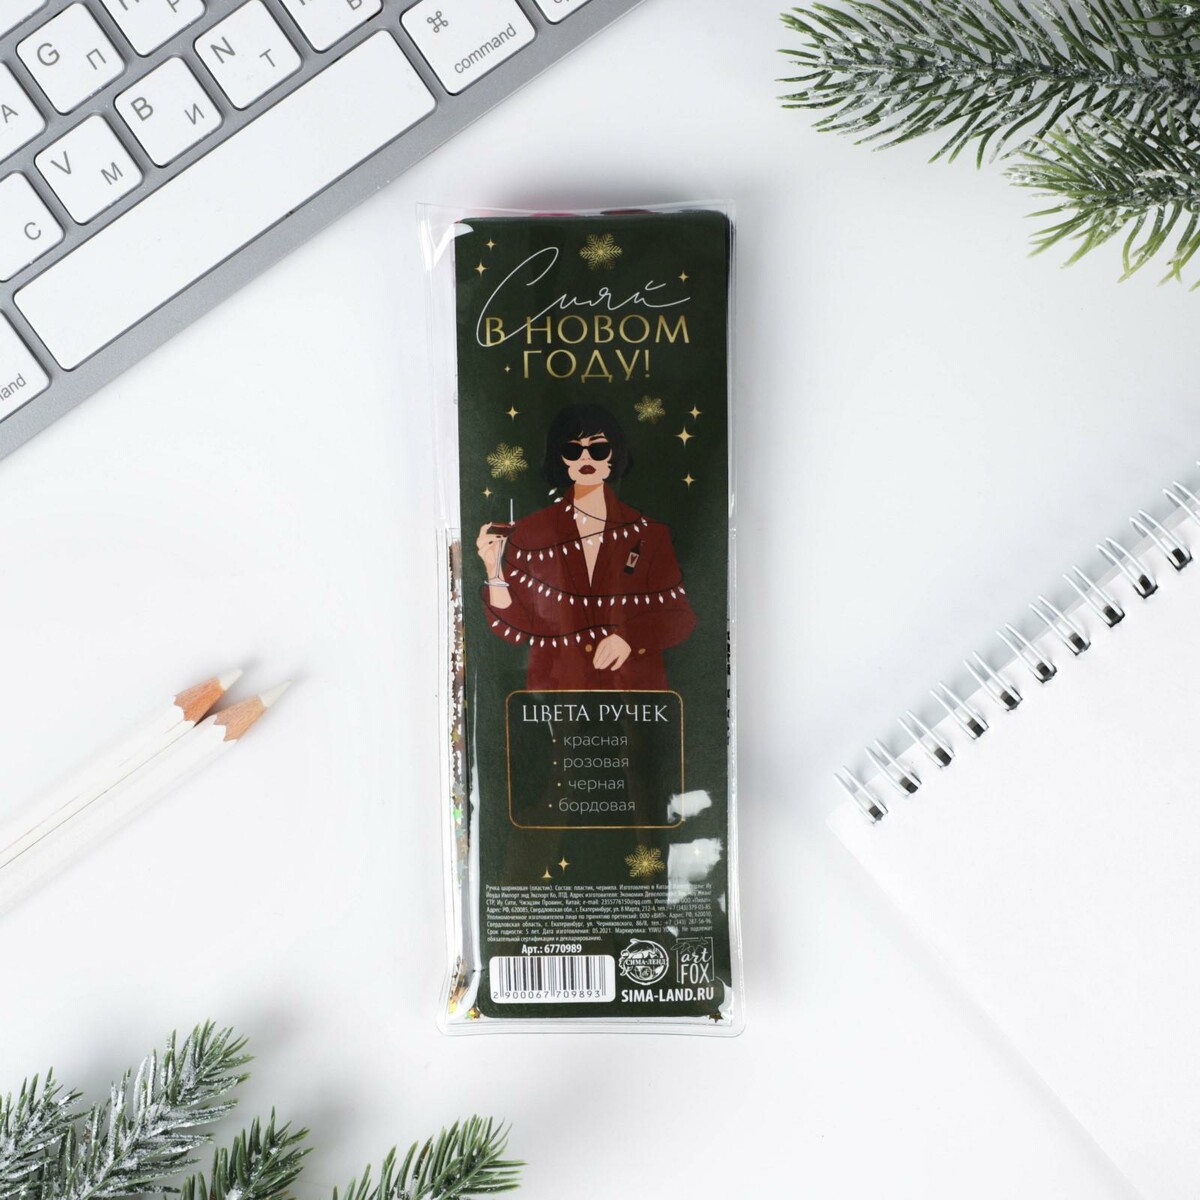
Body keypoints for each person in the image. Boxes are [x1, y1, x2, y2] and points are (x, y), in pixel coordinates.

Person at [476, 402, 695, 690]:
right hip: (557, 692)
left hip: (634, 693)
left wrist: (629, 639)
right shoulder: (530, 533)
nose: (585, 457)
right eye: (573, 449)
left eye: (598, 448)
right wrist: (493, 571)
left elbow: (680, 617)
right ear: (561, 458)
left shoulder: (650, 534)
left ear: (614, 454)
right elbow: (516, 628)